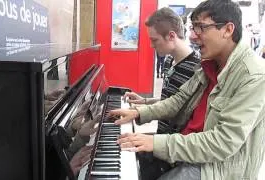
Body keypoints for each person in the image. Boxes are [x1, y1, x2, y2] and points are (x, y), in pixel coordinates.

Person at [110, 0, 265, 179]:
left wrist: (157, 142)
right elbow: (178, 99)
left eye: (200, 28)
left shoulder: (254, 75)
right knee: (127, 150)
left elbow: (223, 141)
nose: (192, 36)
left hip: (215, 167)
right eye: (193, 27)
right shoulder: (208, 65)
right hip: (188, 146)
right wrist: (139, 112)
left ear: (228, 30)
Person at [123, 7, 200, 180]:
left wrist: (138, 112)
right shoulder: (169, 61)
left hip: (174, 152)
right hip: (160, 140)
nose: (151, 45)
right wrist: (145, 101)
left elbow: (177, 107)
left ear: (171, 36)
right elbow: (171, 99)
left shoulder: (197, 69)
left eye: (154, 40)